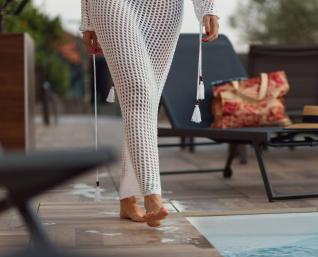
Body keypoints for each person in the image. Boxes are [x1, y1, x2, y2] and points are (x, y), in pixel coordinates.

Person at [80, 0, 219, 227]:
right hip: (110, 4)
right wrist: (87, 20)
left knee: (147, 101)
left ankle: (127, 199)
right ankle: (152, 195)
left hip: (164, 8)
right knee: (138, 91)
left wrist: (207, 6)